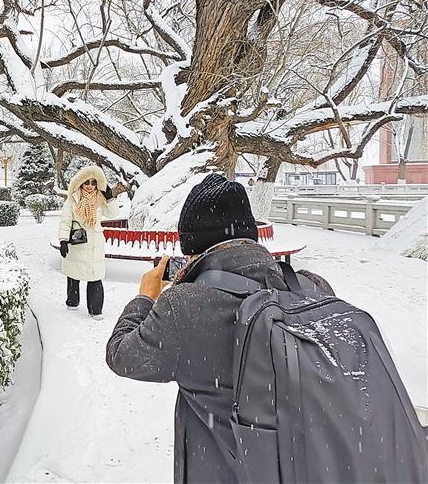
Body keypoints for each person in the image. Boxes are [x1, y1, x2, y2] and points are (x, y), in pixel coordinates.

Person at [105, 173, 334, 483]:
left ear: (193, 246)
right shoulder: (311, 287)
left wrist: (145, 297)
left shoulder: (185, 307)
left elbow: (121, 355)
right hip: (308, 468)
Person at [58, 165, 119, 319]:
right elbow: (65, 221)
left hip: (95, 244)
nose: (90, 186)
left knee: (95, 276)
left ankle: (95, 310)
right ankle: (72, 301)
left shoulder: (100, 199)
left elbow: (113, 214)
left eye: (93, 182)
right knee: (74, 273)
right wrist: (63, 240)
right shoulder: (72, 199)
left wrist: (110, 198)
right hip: (78, 242)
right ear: (81, 183)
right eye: (87, 182)